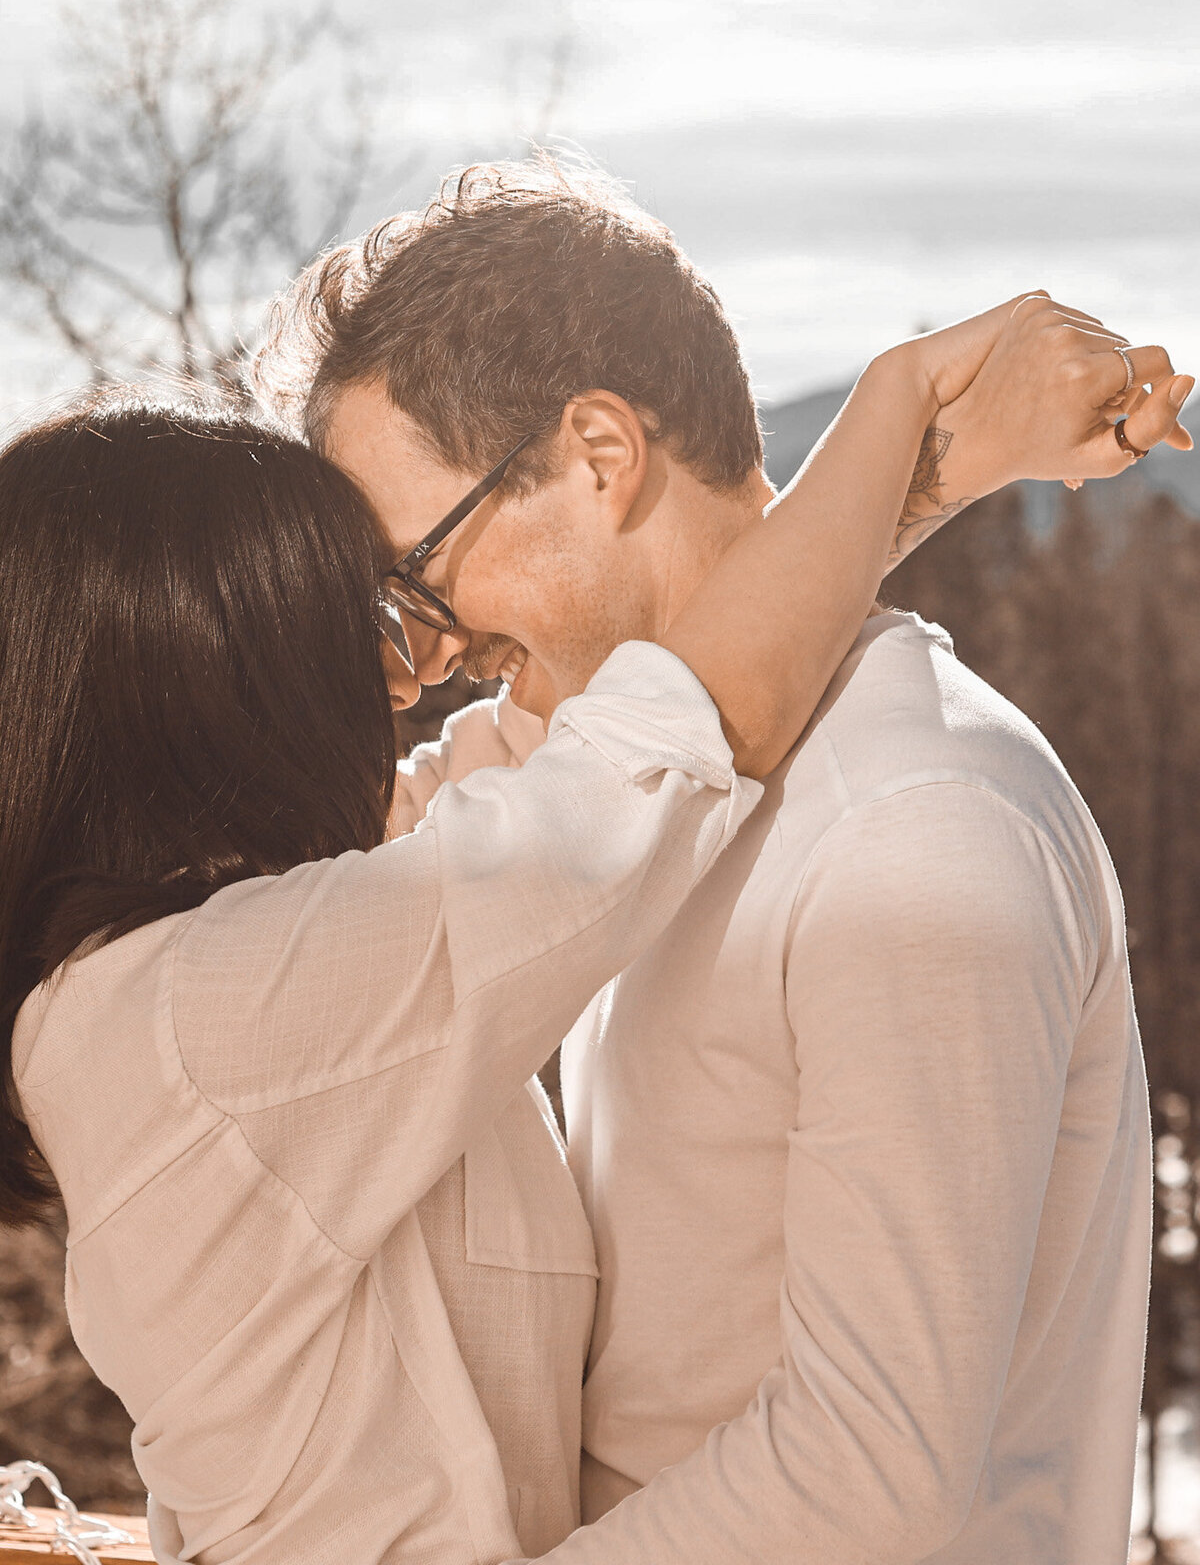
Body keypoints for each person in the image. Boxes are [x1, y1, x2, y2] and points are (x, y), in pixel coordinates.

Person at [0, 314, 1087, 1565]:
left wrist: (920, 489)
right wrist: (898, 406)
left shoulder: (221, 943)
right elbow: (669, 743)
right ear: (215, 674)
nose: (416, 673)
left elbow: (619, 715)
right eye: (356, 624)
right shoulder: (211, 1009)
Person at [253, 155, 1193, 1564]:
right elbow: (346, 859)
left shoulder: (914, 828)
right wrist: (913, 459)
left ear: (599, 455)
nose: (428, 658)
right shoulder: (650, 782)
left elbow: (864, 1475)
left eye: (419, 577)